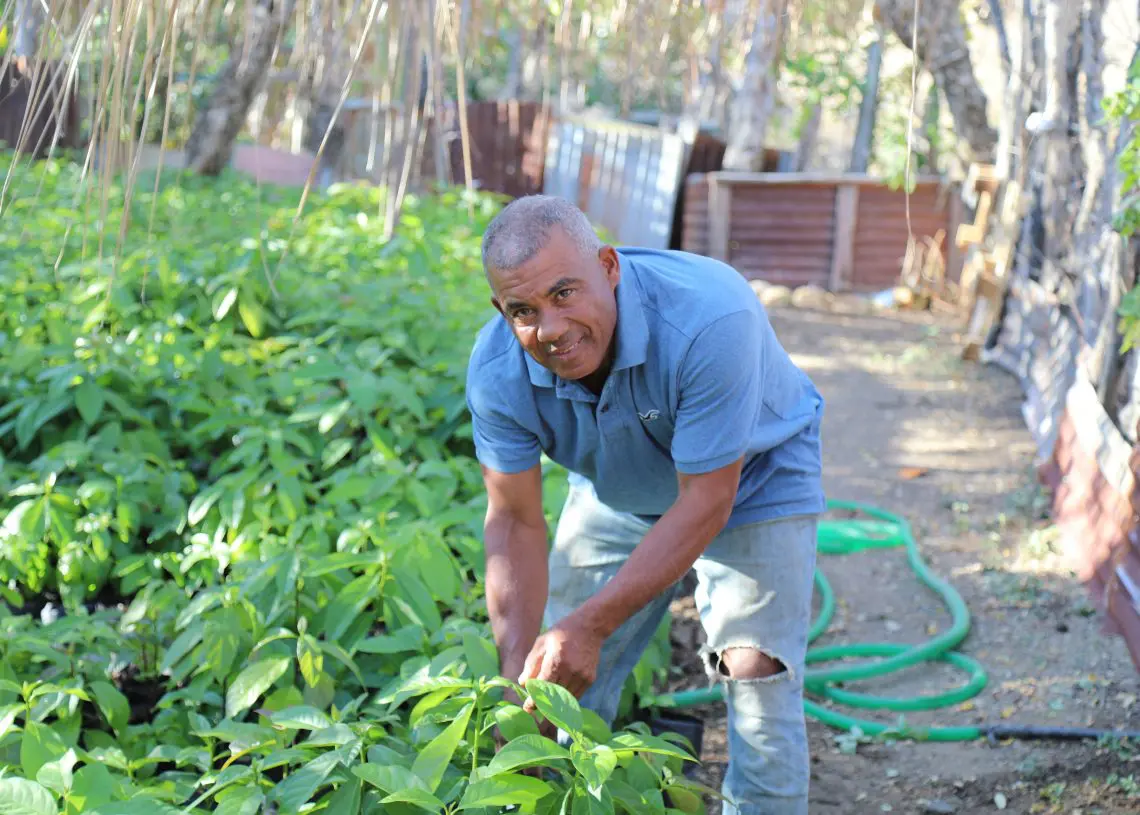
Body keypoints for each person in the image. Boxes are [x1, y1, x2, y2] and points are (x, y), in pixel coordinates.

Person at [464, 195, 825, 815]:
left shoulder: (710, 317)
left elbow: (707, 501)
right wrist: (516, 670)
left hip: (753, 479)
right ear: (501, 311)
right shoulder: (498, 371)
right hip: (621, 488)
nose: (550, 329)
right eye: (523, 311)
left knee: (753, 669)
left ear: (608, 266)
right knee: (549, 688)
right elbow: (515, 519)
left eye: (565, 294)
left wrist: (592, 625)